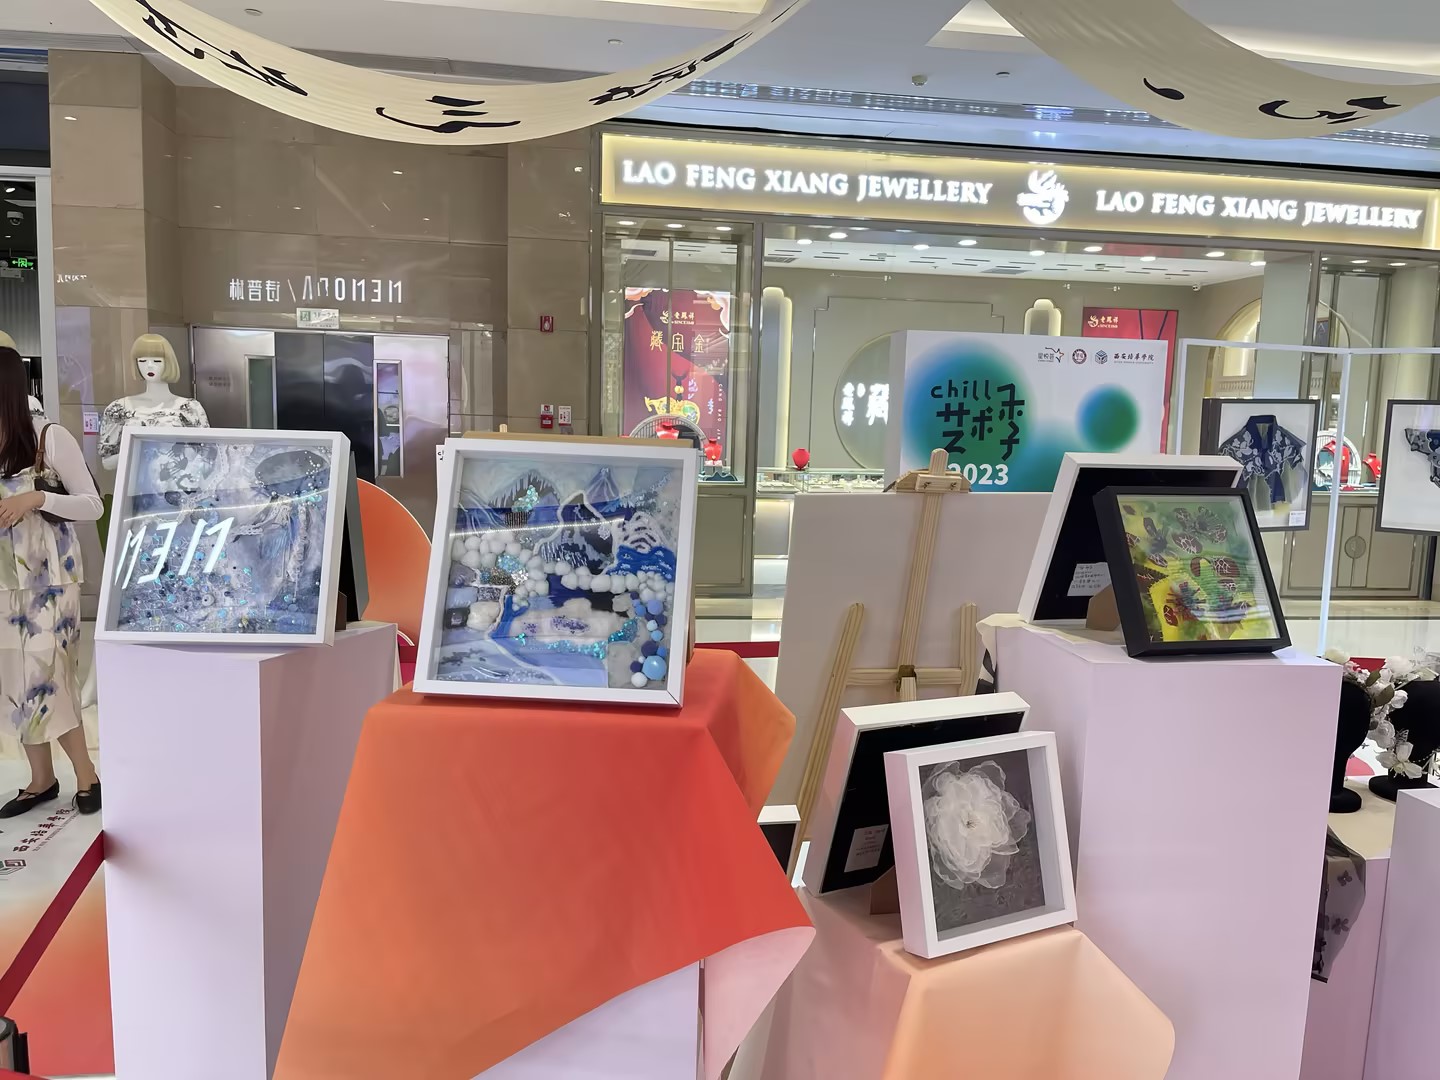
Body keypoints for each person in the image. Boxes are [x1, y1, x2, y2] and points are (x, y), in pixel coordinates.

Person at [0, 347, 103, 817]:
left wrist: (38, 498)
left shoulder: (48, 436)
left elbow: (92, 504)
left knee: (49, 679)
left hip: (50, 585)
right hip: (4, 584)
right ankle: (41, 780)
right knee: (13, 684)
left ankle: (87, 774)